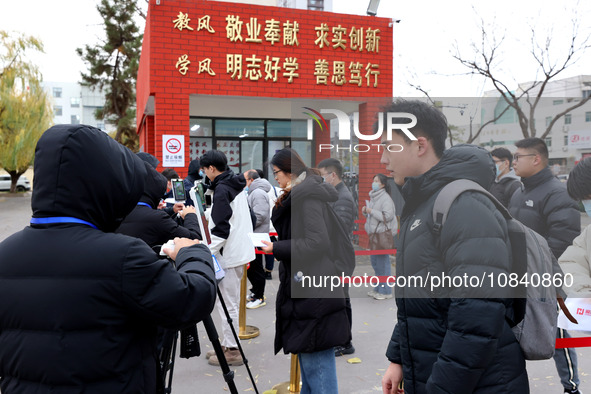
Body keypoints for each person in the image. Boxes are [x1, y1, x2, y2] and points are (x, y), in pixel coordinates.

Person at [0, 124, 217, 393]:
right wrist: (192, 252)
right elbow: (193, 298)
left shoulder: (5, 255)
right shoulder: (123, 256)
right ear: (104, 184)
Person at [379, 100, 528, 393]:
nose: (383, 158)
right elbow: (421, 296)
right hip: (438, 372)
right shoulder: (421, 203)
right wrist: (397, 358)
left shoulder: (464, 204)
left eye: (389, 147)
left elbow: (476, 319)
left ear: (419, 146)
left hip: (480, 383)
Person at [260, 147, 350, 394]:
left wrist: (276, 248)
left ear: (289, 171)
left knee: (317, 368)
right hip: (308, 288)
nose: (275, 177)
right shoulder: (301, 193)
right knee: (310, 371)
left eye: (277, 172)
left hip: (314, 292)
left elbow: (317, 242)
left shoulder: (306, 196)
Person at [509, 137, 582, 394]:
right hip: (519, 278)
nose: (513, 162)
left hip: (547, 279)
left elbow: (564, 238)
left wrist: (538, 268)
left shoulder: (556, 192)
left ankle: (571, 387)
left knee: (557, 332)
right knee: (517, 331)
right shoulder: (519, 191)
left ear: (536, 159)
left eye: (518, 157)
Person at [200, 150, 255, 367]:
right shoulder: (235, 184)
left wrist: (206, 250)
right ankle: (226, 343)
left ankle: (232, 350)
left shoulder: (223, 189)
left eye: (205, 169)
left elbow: (221, 230)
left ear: (212, 168)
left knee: (228, 304)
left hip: (229, 255)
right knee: (226, 303)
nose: (204, 173)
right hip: (237, 251)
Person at [318, 158, 357, 357]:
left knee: (341, 300)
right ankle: (340, 337)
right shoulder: (335, 195)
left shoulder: (342, 198)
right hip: (335, 257)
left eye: (322, 175)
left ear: (333, 175)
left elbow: (339, 230)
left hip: (339, 258)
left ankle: (345, 342)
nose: (321, 179)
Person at [116, 161, 202, 247]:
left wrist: (171, 210)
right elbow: (194, 238)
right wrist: (190, 215)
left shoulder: (116, 212)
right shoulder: (157, 218)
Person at [559, 157, 591, 297]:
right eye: (585, 199)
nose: (587, 204)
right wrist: (583, 292)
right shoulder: (588, 233)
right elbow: (571, 262)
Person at [363, 173, 396, 300]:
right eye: (373, 180)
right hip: (374, 234)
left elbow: (387, 216)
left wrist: (371, 211)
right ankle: (378, 288)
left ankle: (386, 290)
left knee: (383, 262)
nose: (374, 183)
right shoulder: (374, 197)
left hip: (382, 234)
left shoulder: (385, 198)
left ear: (382, 184)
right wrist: (366, 211)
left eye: (376, 181)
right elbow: (374, 216)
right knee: (375, 262)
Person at [244, 169, 271, 309]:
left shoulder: (258, 193)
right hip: (254, 235)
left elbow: (260, 215)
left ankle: (259, 296)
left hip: (256, 235)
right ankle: (255, 291)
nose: (244, 183)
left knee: (255, 267)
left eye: (245, 180)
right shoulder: (255, 192)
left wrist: (246, 226)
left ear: (251, 180)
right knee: (253, 267)